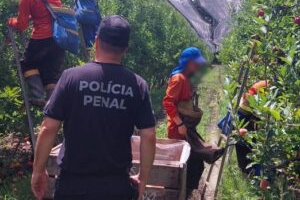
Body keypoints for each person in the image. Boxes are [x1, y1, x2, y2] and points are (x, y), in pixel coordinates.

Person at [31, 15, 156, 200]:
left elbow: (48, 128)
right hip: (116, 186)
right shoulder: (137, 85)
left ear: (96, 41)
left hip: (73, 186)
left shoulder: (71, 77)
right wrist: (143, 178)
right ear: (125, 49)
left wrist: (37, 171)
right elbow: (149, 135)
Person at [162, 47, 223, 195]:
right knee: (190, 164)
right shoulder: (179, 78)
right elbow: (167, 102)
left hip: (185, 128)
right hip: (180, 129)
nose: (198, 66)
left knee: (194, 163)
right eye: (196, 63)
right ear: (188, 63)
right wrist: (180, 124)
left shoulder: (185, 77)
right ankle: (179, 193)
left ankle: (184, 193)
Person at [7, 0, 65, 106]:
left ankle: (38, 96)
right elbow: (49, 11)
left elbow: (21, 25)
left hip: (41, 39)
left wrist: (11, 21)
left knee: (28, 64)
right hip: (58, 38)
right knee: (51, 74)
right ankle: (53, 104)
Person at [236, 80, 269, 174]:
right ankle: (249, 169)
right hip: (245, 115)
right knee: (245, 142)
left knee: (243, 142)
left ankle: (246, 168)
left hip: (245, 114)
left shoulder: (262, 83)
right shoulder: (265, 87)